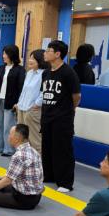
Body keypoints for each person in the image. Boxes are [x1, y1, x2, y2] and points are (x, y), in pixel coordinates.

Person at [40, 40, 81, 193]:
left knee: (63, 150)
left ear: (57, 54)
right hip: (47, 116)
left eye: (48, 50)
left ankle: (65, 182)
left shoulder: (68, 73)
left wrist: (70, 109)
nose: (45, 53)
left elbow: (76, 96)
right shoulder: (46, 72)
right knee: (47, 148)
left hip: (62, 118)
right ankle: (49, 175)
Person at [0, 124, 44, 210]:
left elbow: (7, 181)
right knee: (1, 182)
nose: (8, 136)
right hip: (36, 196)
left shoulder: (19, 155)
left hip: (24, 199)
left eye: (10, 134)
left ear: (17, 139)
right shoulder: (33, 151)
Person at [0, 44, 26, 156]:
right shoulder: (1, 68)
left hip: (11, 102)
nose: (3, 56)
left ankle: (8, 149)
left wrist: (18, 102)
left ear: (11, 55)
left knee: (8, 127)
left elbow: (21, 88)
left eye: (5, 54)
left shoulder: (20, 70)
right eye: (3, 53)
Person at [14, 49, 47, 155]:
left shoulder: (44, 74)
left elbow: (44, 92)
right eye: (30, 58)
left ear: (40, 60)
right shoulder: (29, 73)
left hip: (32, 110)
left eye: (33, 58)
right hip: (22, 108)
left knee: (34, 140)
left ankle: (38, 162)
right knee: (21, 139)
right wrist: (18, 104)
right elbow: (24, 91)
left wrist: (36, 104)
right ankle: (23, 159)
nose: (30, 60)